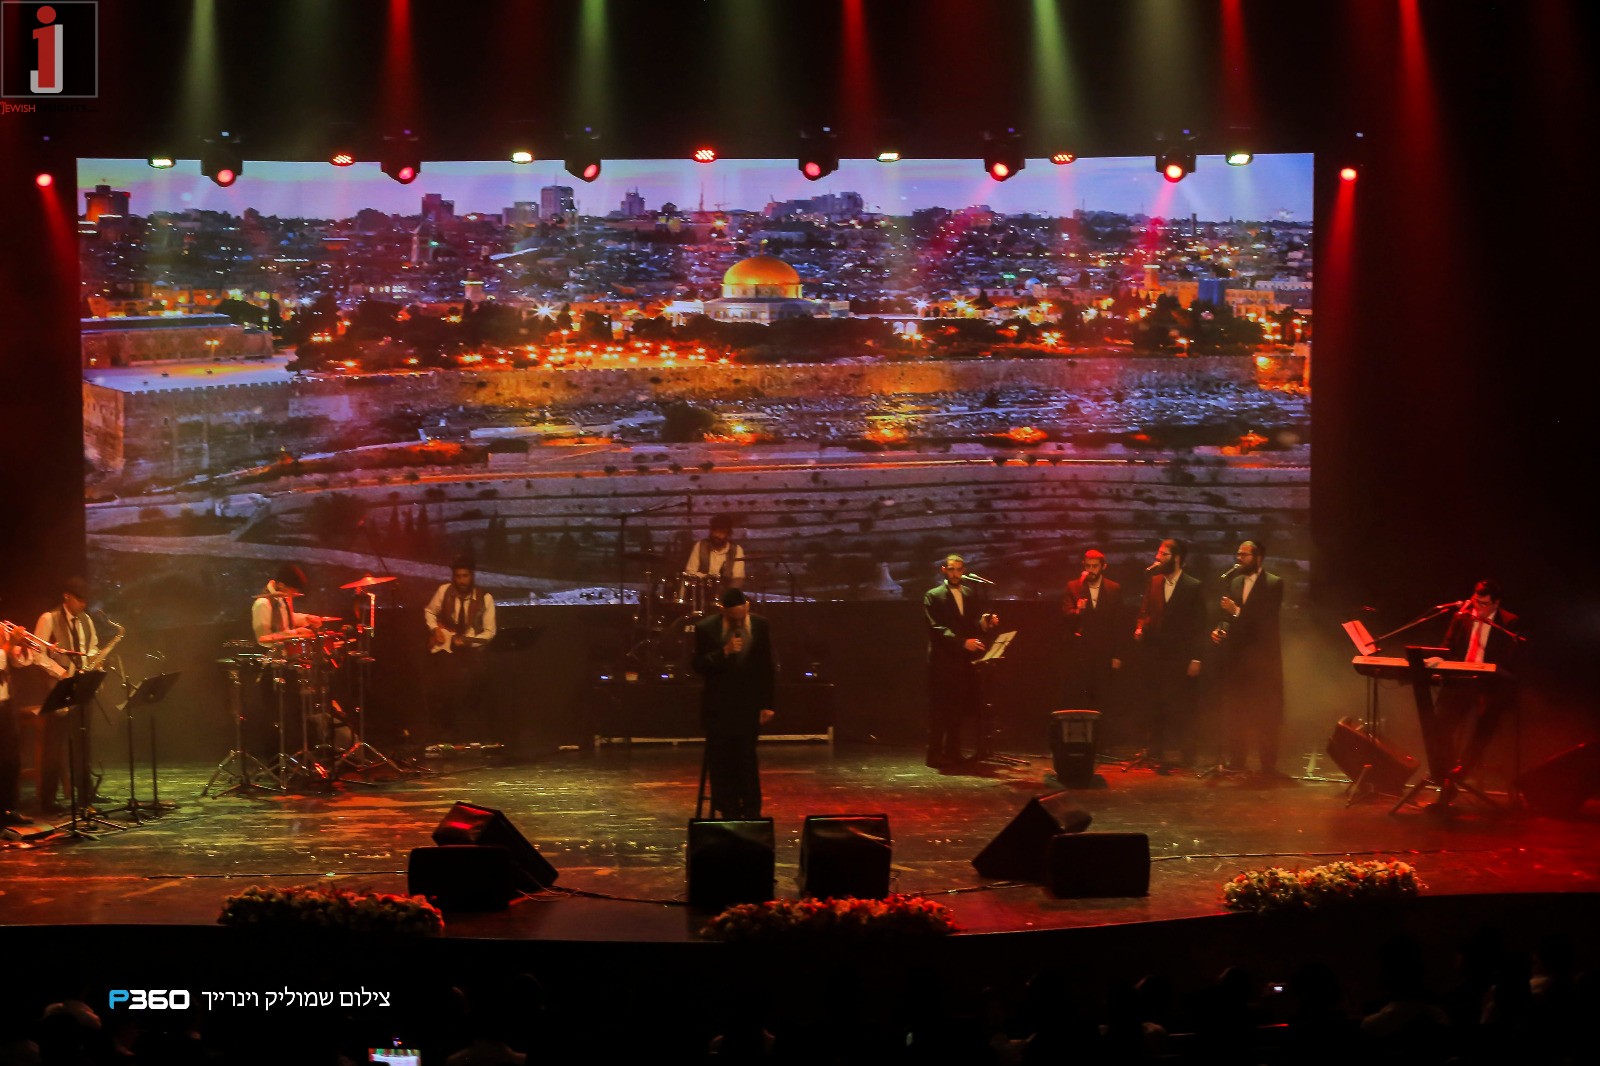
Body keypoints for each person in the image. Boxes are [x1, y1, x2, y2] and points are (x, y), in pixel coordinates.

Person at [1430, 579, 1519, 810]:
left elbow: (1510, 662)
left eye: (1484, 604)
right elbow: (1447, 647)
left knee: (1485, 721)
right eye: (1476, 601)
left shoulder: (1508, 623)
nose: (1478, 607)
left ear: (1496, 603)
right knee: (1438, 722)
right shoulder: (1462, 616)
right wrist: (1439, 659)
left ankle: (1461, 770)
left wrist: (1489, 671)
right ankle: (1447, 776)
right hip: (1461, 681)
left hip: (1489, 685)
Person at [691, 587, 775, 819]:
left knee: (747, 758)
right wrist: (724, 653)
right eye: (733, 618)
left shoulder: (760, 625)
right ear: (723, 611)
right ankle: (728, 810)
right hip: (719, 707)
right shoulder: (706, 628)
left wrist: (768, 703)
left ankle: (752, 810)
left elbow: (766, 666)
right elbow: (698, 665)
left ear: (747, 607)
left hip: (748, 706)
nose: (738, 622)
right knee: (721, 760)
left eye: (742, 616)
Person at [1210, 540, 1286, 776]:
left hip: (1263, 661)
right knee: (1237, 711)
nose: (1239, 558)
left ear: (1258, 558)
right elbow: (1227, 618)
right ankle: (1237, 761)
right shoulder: (1235, 582)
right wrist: (1221, 628)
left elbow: (1265, 620)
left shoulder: (1273, 583)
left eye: (1244, 555)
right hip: (1237, 660)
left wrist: (1236, 611)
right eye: (1238, 554)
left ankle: (1267, 766)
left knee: (1265, 713)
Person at [1132, 539, 1206, 773]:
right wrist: (1140, 627)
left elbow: (1200, 625)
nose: (1157, 558)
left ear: (1176, 558)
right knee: (1156, 705)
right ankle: (1156, 751)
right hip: (1156, 656)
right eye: (1158, 554)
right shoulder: (1154, 582)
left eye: (1163, 554)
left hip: (1181, 658)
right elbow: (1145, 611)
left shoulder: (1193, 586)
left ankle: (1188, 754)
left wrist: (1196, 658)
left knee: (1183, 707)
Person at [27, 577, 100, 811]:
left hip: (81, 687)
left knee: (83, 742)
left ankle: (85, 795)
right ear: (66, 596)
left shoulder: (86, 620)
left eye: (85, 600)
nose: (83, 604)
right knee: (54, 745)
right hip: (58, 688)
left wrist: (93, 663)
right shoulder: (48, 618)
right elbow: (37, 654)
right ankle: (48, 800)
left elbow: (92, 647)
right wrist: (61, 673)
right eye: (79, 599)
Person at [923, 554, 1000, 767]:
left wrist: (984, 624)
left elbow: (971, 624)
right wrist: (962, 642)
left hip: (962, 661)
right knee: (941, 709)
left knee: (958, 708)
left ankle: (953, 752)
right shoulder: (933, 595)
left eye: (959, 569)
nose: (955, 573)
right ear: (944, 570)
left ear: (964, 570)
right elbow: (936, 628)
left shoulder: (968, 592)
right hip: (943, 661)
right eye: (951, 569)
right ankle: (934, 755)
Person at [422, 557, 497, 743]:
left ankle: (469, 733)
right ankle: (444, 732)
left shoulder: (485, 598)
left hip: (472, 651)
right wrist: (434, 629)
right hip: (447, 649)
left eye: (465, 576)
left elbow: (489, 632)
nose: (461, 580)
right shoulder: (444, 591)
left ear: (472, 576)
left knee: (475, 683)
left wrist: (469, 642)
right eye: (457, 576)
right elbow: (429, 611)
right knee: (442, 684)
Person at [1060, 549, 1125, 715]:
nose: (1091, 570)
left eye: (1095, 566)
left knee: (1103, 698)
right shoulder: (1074, 587)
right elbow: (1065, 616)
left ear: (1103, 566)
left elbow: (1118, 624)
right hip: (1081, 653)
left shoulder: (1113, 588)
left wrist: (1117, 655)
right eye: (1088, 566)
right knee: (1081, 697)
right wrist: (1078, 611)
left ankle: (1102, 730)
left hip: (1104, 654)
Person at [684, 513, 746, 589]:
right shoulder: (700, 546)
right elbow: (689, 572)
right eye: (715, 531)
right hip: (702, 592)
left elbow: (738, 578)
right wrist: (708, 578)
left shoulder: (737, 550)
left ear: (728, 533)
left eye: (722, 532)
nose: (717, 535)